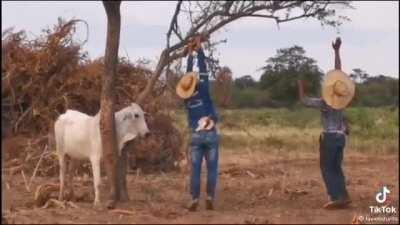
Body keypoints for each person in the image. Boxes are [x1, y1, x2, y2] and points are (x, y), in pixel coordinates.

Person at [297, 37, 355, 209]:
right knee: (336, 167)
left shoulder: (324, 103)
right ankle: (343, 195)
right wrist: (337, 52)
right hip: (341, 137)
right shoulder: (342, 100)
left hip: (329, 137)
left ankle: (336, 197)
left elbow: (304, 100)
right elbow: (339, 72)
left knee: (327, 168)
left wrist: (300, 86)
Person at [176, 36, 219, 211]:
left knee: (195, 171)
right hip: (210, 135)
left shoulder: (187, 101)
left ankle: (194, 199)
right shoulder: (204, 93)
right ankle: (209, 197)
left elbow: (187, 78)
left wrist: (190, 55)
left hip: (195, 136)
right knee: (211, 170)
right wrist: (199, 51)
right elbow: (202, 72)